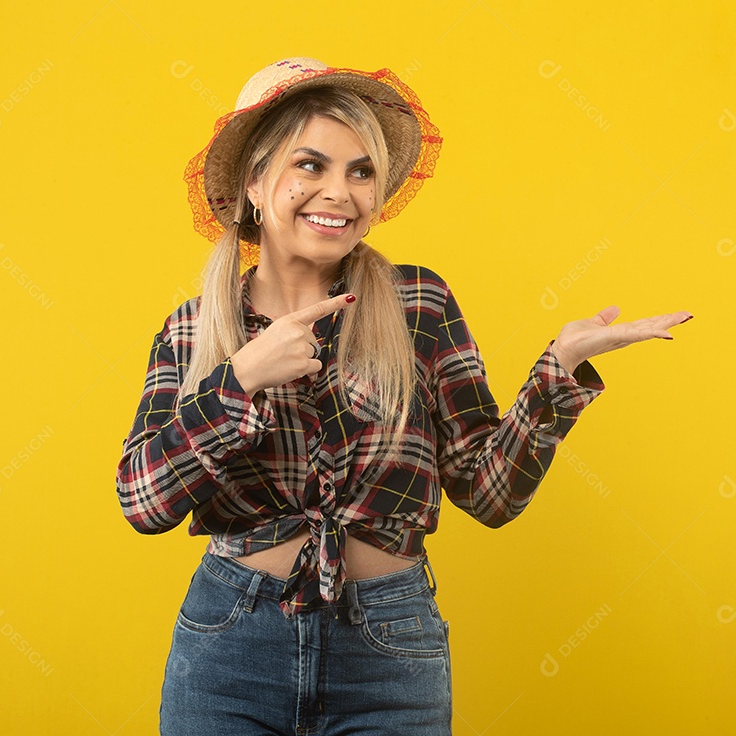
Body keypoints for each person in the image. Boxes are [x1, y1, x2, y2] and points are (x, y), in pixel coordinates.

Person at [116, 56, 693, 736]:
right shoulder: (195, 329)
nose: (341, 192)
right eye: (312, 165)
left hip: (389, 647)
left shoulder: (417, 302)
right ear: (253, 182)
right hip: (230, 646)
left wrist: (558, 373)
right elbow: (142, 502)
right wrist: (238, 380)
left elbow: (488, 493)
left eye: (362, 171)